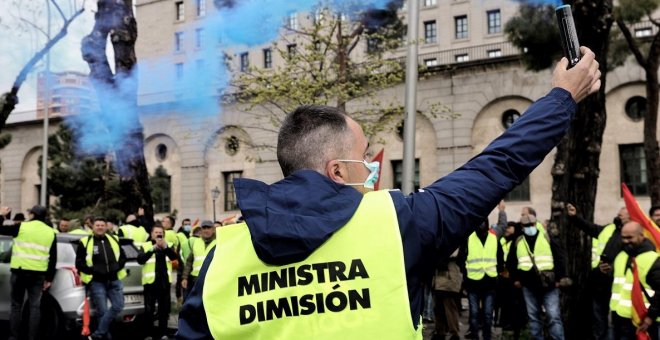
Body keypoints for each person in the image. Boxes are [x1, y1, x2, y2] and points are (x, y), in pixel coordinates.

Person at [177, 47, 601, 338]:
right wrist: (563, 97)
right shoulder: (396, 224)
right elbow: (496, 166)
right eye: (366, 157)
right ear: (338, 171)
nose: (374, 168)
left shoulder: (223, 256)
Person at [567, 203, 628, 339]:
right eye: (619, 212)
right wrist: (575, 217)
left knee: (615, 322)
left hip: (618, 285)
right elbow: (590, 228)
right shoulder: (608, 229)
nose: (618, 214)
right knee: (599, 320)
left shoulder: (630, 235)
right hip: (599, 282)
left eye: (622, 213)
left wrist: (612, 267)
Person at [0, 205, 57, 340]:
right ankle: (32, 337)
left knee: (16, 306)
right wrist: (49, 278)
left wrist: (2, 216)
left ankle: (14, 336)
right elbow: (53, 257)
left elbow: (1, 229)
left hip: (19, 272)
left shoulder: (22, 227)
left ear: (32, 215)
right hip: (38, 274)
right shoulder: (51, 232)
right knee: (35, 307)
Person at [508, 214, 568, 340]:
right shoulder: (518, 241)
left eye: (532, 225)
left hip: (549, 285)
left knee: (553, 316)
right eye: (526, 226)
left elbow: (560, 258)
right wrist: (515, 280)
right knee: (533, 318)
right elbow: (511, 262)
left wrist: (559, 279)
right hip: (528, 287)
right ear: (522, 227)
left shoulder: (547, 238)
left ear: (536, 224)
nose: (530, 227)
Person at [76, 217, 127, 340]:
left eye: (102, 225)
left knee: (118, 306)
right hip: (97, 282)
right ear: (92, 227)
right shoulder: (85, 241)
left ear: (106, 227)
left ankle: (98, 334)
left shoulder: (114, 239)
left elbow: (123, 257)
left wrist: (117, 267)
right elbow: (79, 263)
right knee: (102, 311)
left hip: (114, 280)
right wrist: (93, 271)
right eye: (97, 225)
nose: (100, 227)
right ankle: (106, 337)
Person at [610, 221, 660, 339]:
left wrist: (649, 318)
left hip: (643, 321)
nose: (626, 241)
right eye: (623, 238)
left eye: (630, 237)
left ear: (641, 236)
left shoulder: (653, 259)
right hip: (620, 317)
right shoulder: (621, 256)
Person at [461, 219, 503, 340]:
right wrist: (465, 273)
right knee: (474, 314)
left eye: (483, 223)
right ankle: (475, 337)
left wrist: (497, 273)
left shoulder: (493, 238)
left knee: (488, 314)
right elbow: (461, 259)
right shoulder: (469, 238)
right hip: (473, 282)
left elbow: (500, 258)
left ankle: (487, 337)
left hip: (489, 282)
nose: (481, 225)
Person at [138, 224, 178, 340]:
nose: (158, 234)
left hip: (164, 283)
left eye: (160, 232)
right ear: (151, 235)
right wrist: (152, 249)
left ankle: (163, 334)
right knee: (149, 310)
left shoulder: (169, 245)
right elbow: (140, 260)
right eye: (156, 232)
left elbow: (174, 258)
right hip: (150, 283)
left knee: (164, 310)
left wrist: (165, 247)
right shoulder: (145, 246)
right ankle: (148, 334)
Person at [181, 220, 216, 299]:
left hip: (211, 279)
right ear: (201, 230)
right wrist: (185, 278)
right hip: (196, 279)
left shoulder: (218, 243)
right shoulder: (196, 242)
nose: (206, 230)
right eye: (204, 228)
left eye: (208, 228)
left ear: (213, 229)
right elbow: (189, 262)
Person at [432, 250, 462, 340]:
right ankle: (442, 331)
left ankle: (453, 333)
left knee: (449, 307)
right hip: (440, 278)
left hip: (449, 277)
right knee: (439, 307)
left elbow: (453, 255)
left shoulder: (453, 240)